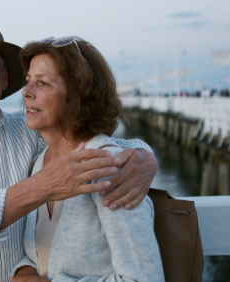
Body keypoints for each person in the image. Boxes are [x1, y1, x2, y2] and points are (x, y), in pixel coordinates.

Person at [0, 17, 159, 281]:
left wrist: (143, 156)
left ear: (5, 79)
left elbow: (81, 139)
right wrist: (41, 187)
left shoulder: (29, 131)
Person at [11, 37, 163, 281]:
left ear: (78, 94)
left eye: (43, 83)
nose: (26, 92)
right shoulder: (40, 162)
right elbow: (41, 256)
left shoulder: (109, 167)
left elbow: (142, 278)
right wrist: (25, 271)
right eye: (28, 80)